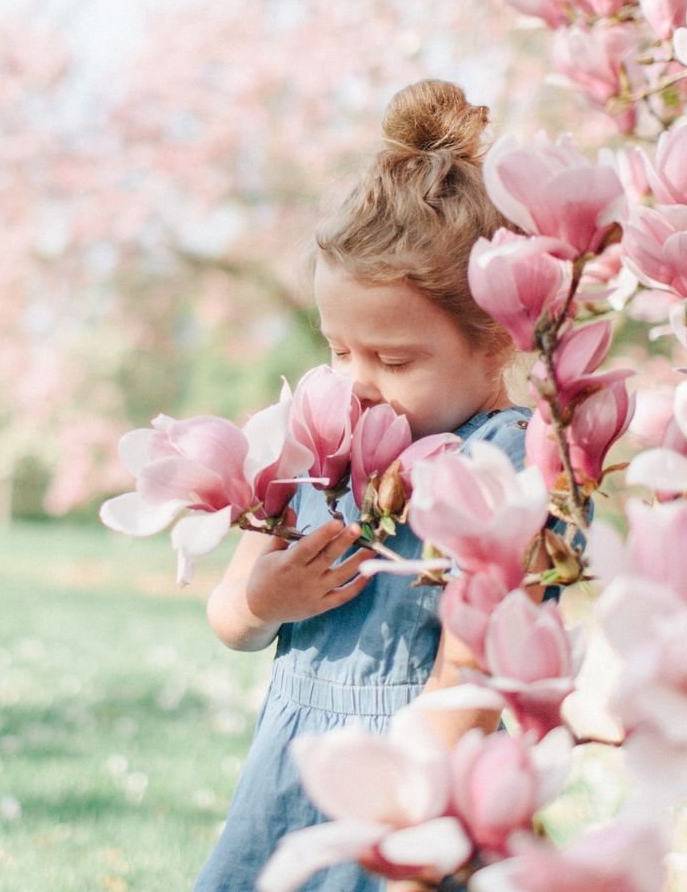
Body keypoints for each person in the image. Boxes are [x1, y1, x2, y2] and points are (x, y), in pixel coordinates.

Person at [194, 79, 535, 892]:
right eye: (340, 348)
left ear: (494, 341)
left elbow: (471, 676)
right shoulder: (311, 435)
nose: (359, 381)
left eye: (394, 359)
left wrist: (412, 849)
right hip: (287, 781)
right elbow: (229, 617)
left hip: (419, 787)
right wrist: (263, 601)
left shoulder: (509, 459)